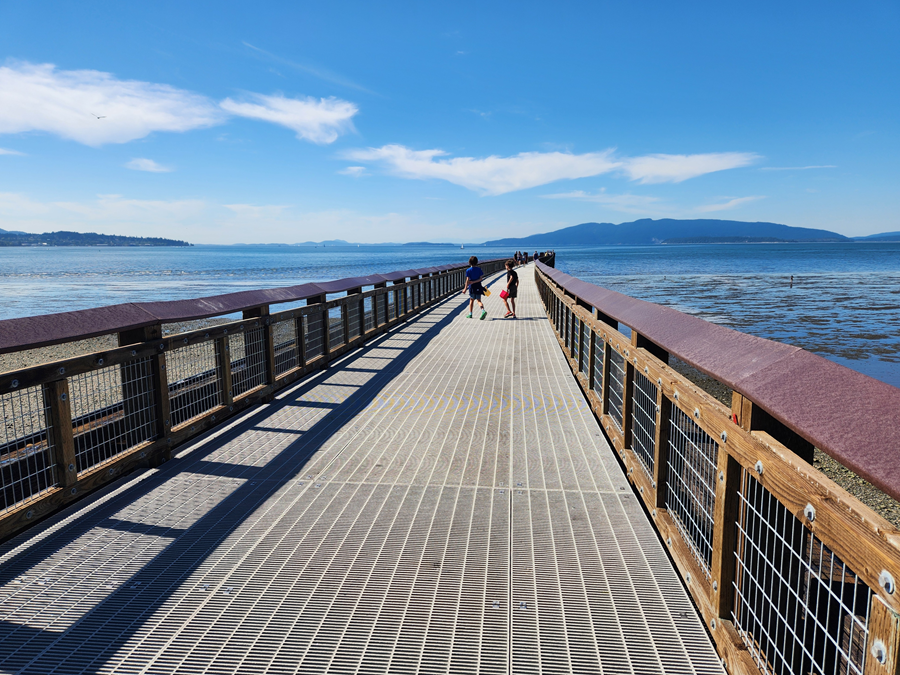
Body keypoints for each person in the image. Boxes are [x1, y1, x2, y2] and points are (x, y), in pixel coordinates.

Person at [462, 255, 487, 319]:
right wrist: (475, 281)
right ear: (477, 262)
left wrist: (465, 288)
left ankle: (470, 314)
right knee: (479, 300)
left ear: (469, 262)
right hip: (478, 285)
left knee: (471, 300)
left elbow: (467, 280)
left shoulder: (468, 270)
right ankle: (483, 310)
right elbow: (481, 278)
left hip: (472, 287)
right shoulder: (479, 269)